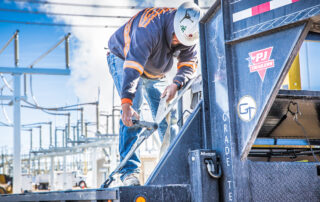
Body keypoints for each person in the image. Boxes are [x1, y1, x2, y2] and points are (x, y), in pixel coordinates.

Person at [107, 2, 202, 186]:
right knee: (133, 112)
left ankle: (170, 166)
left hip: (155, 71)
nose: (177, 43)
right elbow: (133, 67)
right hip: (124, 58)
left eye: (182, 41)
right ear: (174, 24)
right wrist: (126, 103)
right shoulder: (148, 28)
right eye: (176, 38)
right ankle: (129, 173)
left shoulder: (190, 34)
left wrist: (176, 83)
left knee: (169, 116)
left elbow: (189, 63)